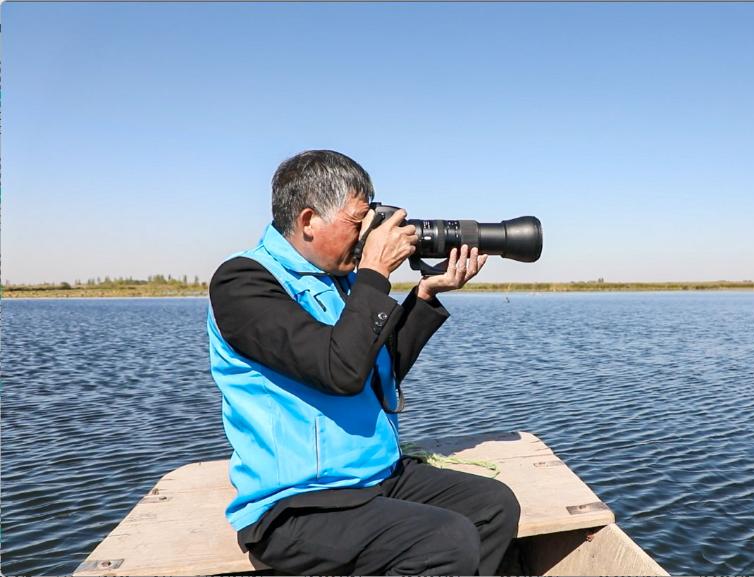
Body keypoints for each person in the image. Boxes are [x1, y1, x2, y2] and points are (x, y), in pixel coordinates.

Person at [207, 150, 521, 575]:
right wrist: (375, 273)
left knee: (493, 506)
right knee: (444, 539)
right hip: (298, 505)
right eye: (359, 223)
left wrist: (426, 294)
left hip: (375, 479)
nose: (367, 236)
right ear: (307, 221)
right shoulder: (244, 283)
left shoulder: (346, 282)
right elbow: (339, 372)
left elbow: (378, 372)